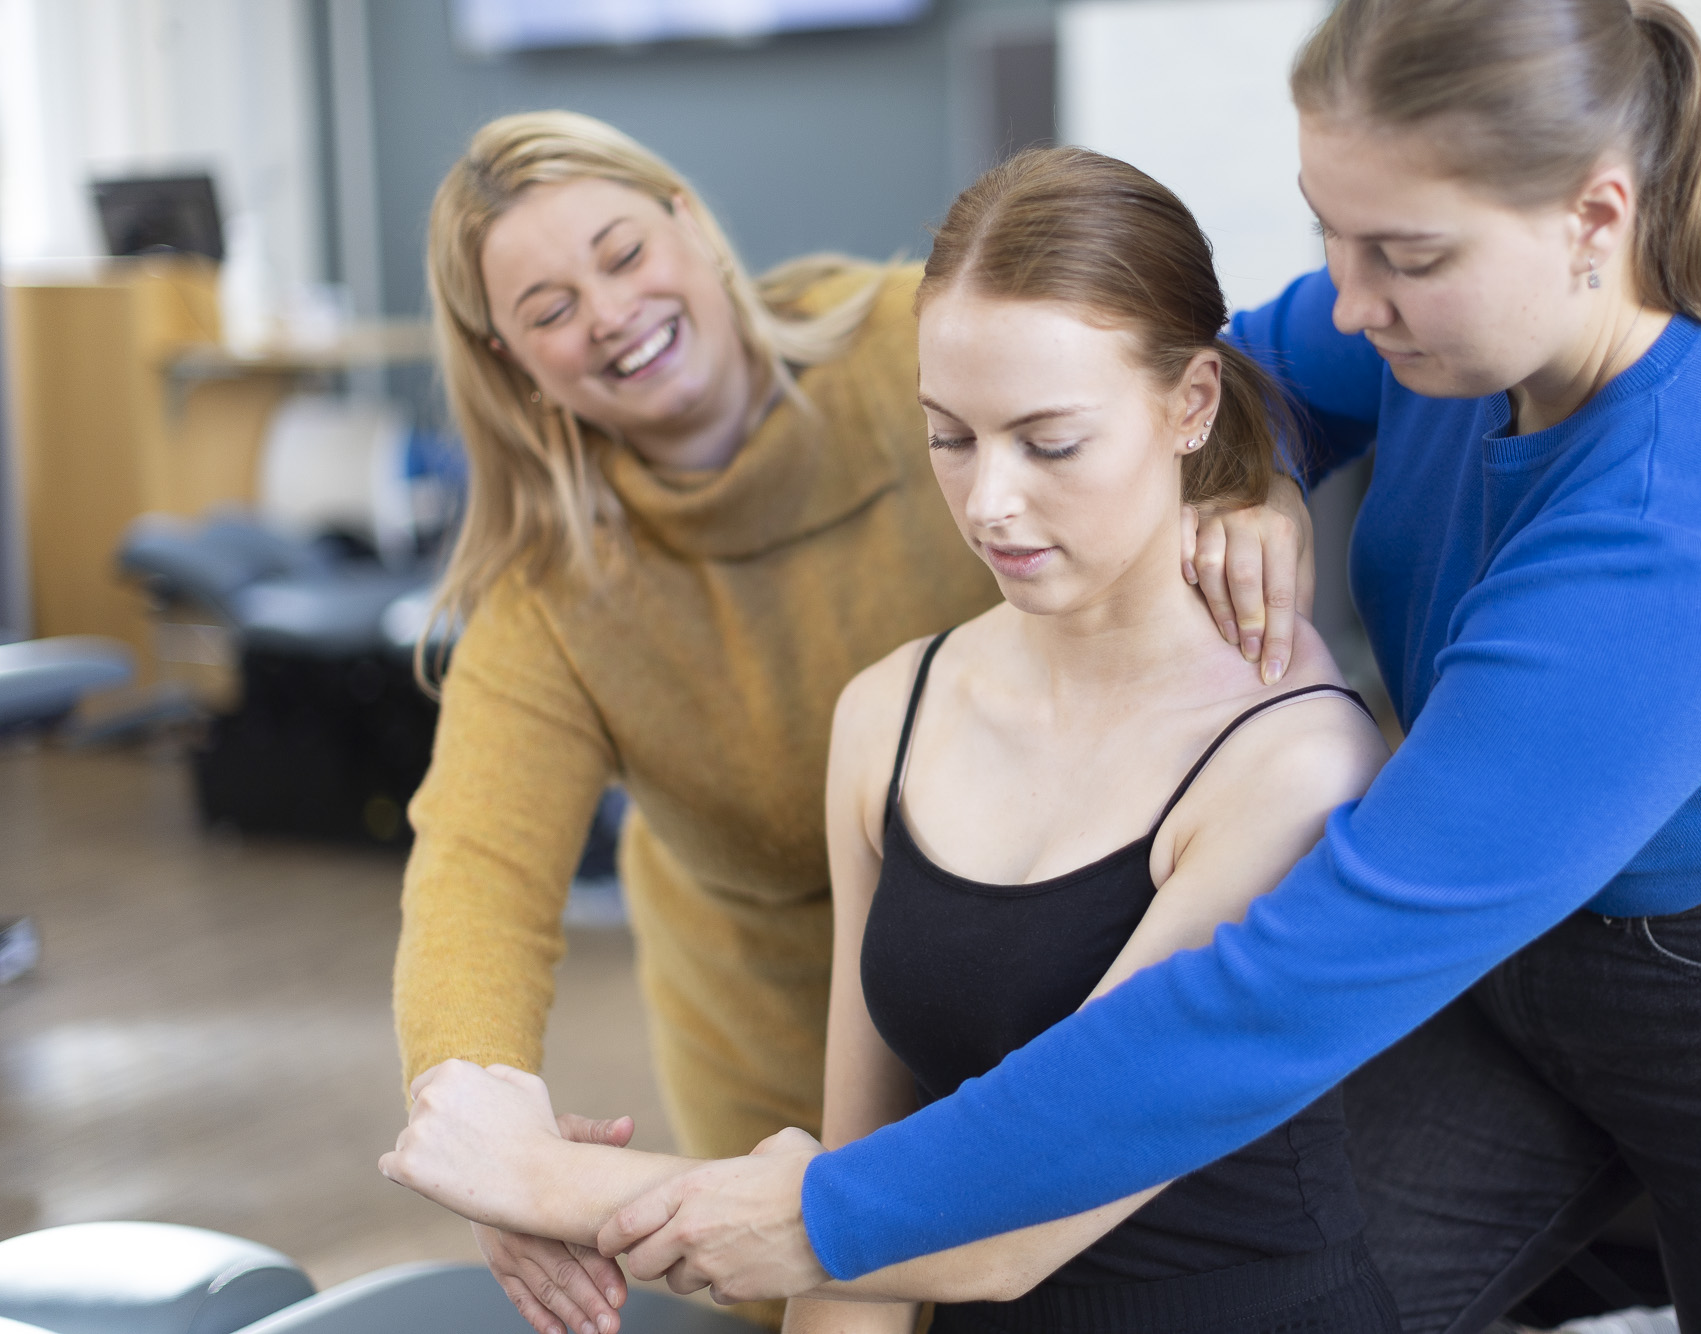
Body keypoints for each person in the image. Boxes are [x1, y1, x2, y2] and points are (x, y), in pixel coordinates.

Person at [573, 3, 1701, 1332]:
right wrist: (1253, 476)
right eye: (1335, 236)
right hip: (1528, 947)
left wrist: (833, 1212)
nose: (1352, 297)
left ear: (1594, 218)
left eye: (1404, 257)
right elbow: (1235, 370)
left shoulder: (1681, 545)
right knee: (1193, 1275)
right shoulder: (1446, 321)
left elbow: (1280, 984)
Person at [384, 143, 1396, 1334]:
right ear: (510, 360)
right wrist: (471, 1088)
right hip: (795, 1086)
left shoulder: (1292, 761)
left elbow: (1008, 1215)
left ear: (689, 219)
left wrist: (528, 1175)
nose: (987, 504)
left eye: (1048, 441)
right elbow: (478, 869)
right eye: (949, 438)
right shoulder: (880, 710)